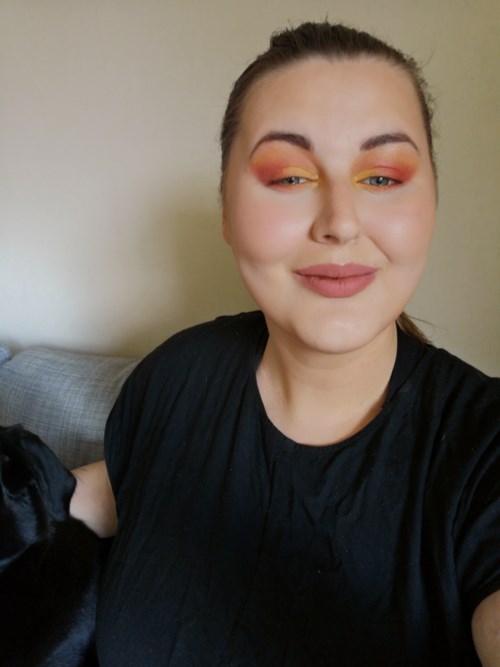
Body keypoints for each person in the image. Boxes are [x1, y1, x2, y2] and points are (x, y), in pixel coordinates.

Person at [70, 21, 500, 666]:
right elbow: (115, 493)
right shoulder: (177, 375)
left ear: (432, 203)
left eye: (382, 177)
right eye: (291, 177)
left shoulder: (484, 446)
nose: (340, 223)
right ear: (225, 208)